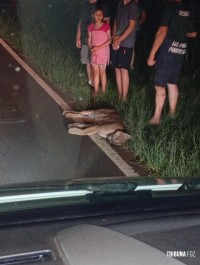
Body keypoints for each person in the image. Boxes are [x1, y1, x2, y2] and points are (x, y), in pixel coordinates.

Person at [147, 0, 197, 125]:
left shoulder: (169, 8)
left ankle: (156, 118)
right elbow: (193, 33)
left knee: (160, 85)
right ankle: (172, 114)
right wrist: (179, 32)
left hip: (167, 52)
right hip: (180, 51)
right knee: (172, 83)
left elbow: (162, 32)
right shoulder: (187, 9)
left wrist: (152, 54)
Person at [76, 0, 110, 87]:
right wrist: (78, 37)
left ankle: (98, 86)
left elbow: (106, 23)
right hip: (85, 37)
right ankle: (91, 82)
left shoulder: (101, 5)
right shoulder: (84, 4)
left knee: (97, 64)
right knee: (87, 60)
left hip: (97, 41)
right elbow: (80, 21)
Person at [110, 0, 139, 101]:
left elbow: (131, 26)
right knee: (117, 68)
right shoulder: (120, 4)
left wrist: (119, 39)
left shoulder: (133, 6)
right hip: (117, 41)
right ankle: (119, 94)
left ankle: (124, 97)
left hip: (126, 43)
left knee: (124, 69)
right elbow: (115, 22)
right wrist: (114, 37)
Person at [88, 7, 111, 96]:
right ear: (93, 15)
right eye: (97, 14)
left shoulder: (106, 26)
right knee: (95, 71)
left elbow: (109, 40)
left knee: (102, 71)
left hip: (102, 52)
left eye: (100, 14)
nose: (98, 16)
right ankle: (96, 90)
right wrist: (91, 48)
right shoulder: (90, 27)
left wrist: (98, 47)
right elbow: (89, 39)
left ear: (103, 16)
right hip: (94, 52)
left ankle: (104, 91)